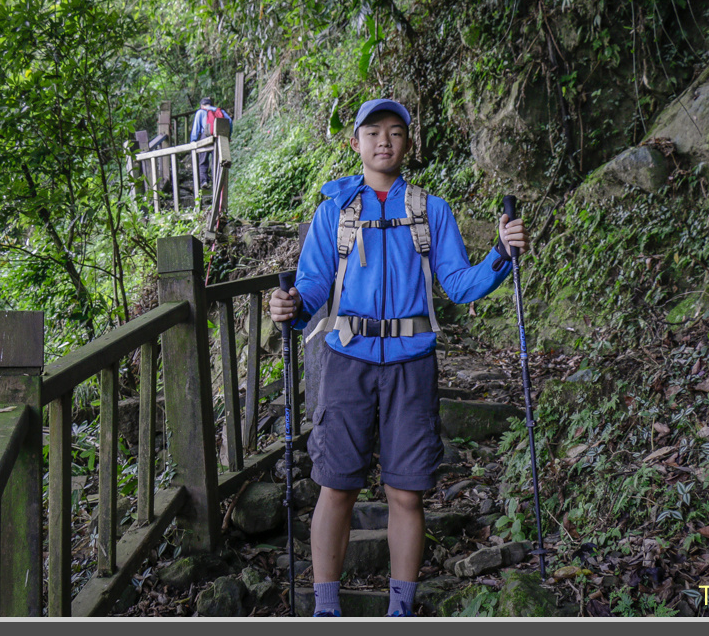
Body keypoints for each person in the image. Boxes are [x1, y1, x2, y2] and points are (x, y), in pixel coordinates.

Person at [269, 98, 530, 617]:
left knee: (407, 492)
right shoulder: (334, 213)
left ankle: (400, 611)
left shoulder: (431, 211)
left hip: (412, 362)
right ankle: (326, 609)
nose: (383, 141)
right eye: (372, 132)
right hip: (347, 359)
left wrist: (501, 252)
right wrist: (290, 306)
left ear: (408, 143)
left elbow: (458, 284)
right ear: (355, 143)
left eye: (394, 132)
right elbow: (313, 287)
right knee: (335, 486)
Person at [189, 96, 232, 189]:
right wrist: (229, 136)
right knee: (215, 160)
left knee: (203, 160)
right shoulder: (219, 111)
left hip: (206, 136)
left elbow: (196, 128)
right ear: (210, 104)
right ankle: (216, 182)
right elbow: (230, 121)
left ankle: (204, 181)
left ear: (201, 105)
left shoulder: (200, 112)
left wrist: (193, 140)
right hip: (218, 137)